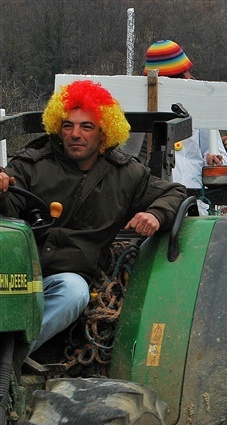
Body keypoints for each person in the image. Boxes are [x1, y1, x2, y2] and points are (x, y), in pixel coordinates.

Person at [0, 80, 187, 353]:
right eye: (68, 126)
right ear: (58, 128)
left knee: (73, 291)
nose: (75, 134)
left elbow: (175, 192)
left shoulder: (126, 174)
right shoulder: (31, 164)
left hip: (66, 278)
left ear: (104, 133)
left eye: (86, 127)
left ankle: (11, 361)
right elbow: (10, 209)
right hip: (18, 274)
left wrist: (155, 214)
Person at [142, 40, 227, 214]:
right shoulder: (141, 111)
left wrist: (212, 159)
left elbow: (219, 156)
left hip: (194, 204)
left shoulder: (201, 106)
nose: (189, 77)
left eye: (188, 71)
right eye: (182, 74)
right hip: (152, 206)